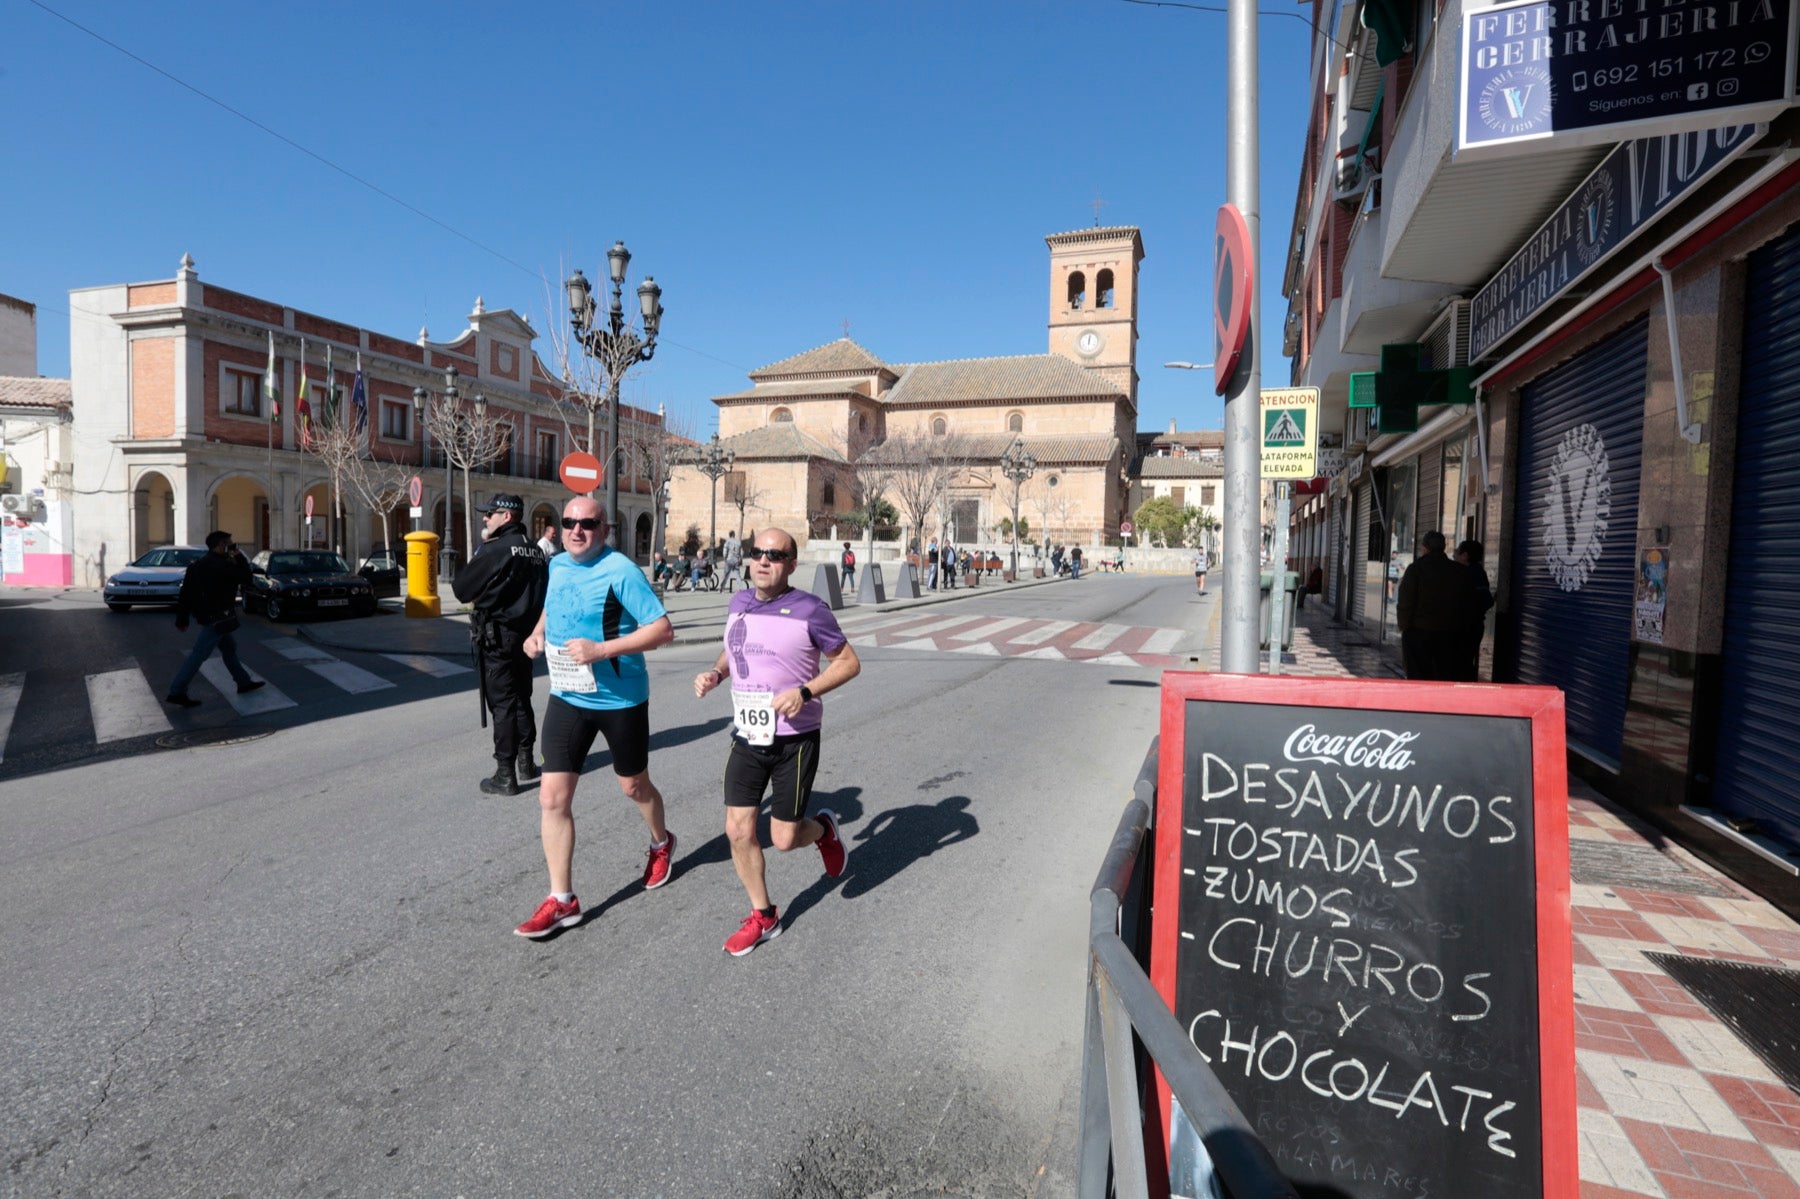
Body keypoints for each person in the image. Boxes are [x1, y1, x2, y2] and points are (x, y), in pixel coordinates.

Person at [693, 527, 861, 955]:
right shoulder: (739, 602)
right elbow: (733, 649)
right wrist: (716, 673)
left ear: (791, 564)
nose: (763, 561)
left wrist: (805, 692)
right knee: (738, 829)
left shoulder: (811, 610)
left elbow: (848, 663)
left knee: (784, 839)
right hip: (748, 735)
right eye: (757, 553)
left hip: (796, 740)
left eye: (775, 555)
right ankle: (764, 915)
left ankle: (823, 830)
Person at [515, 497, 677, 938]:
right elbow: (555, 604)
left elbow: (663, 629)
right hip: (568, 695)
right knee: (552, 798)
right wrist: (537, 633)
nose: (576, 530)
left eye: (587, 523)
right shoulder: (559, 564)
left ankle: (662, 842)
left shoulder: (621, 570)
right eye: (568, 522)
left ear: (604, 529)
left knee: (633, 785)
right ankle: (562, 900)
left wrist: (600, 650)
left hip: (620, 698)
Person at [452, 493, 549, 796]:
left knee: (504, 704)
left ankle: (505, 773)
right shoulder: (535, 551)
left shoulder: (495, 549)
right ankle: (527, 761)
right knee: (522, 697)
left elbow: (461, 589)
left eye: (490, 513)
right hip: (526, 637)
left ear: (506, 517)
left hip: (498, 638)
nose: (485, 518)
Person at [165, 530, 264, 707]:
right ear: (221, 546)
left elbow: (186, 593)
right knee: (199, 654)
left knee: (229, 647)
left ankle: (243, 682)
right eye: (230, 544)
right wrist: (239, 556)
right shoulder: (222, 565)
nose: (232, 547)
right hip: (218, 617)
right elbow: (246, 577)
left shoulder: (197, 565)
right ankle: (177, 691)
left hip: (209, 616)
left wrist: (182, 619)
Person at [1396, 530, 1481, 681]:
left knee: (1419, 678)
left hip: (1418, 634)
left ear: (1424, 548)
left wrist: (1404, 626)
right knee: (1445, 677)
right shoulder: (1459, 571)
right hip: (1450, 636)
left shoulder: (1415, 570)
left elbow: (1405, 602)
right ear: (1444, 547)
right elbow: (1468, 603)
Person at [1454, 539, 1495, 682]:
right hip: (1474, 625)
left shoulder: (1469, 573)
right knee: (1465, 660)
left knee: (1461, 662)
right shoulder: (1479, 572)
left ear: (1465, 555)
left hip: (1465, 626)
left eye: (1457, 551)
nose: (1454, 555)